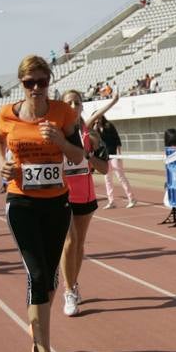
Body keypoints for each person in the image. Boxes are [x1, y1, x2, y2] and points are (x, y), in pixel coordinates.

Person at [0, 55, 84, 352]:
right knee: (36, 274)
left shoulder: (63, 113)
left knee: (49, 278)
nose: (35, 88)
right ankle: (45, 351)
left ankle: (40, 324)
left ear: (49, 81)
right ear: (21, 84)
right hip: (21, 202)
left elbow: (79, 155)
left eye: (41, 81)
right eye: (29, 82)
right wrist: (1, 164)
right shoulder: (8, 114)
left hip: (56, 203)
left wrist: (59, 141)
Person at [59, 90, 113, 317]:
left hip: (85, 195)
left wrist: (88, 155)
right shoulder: (56, 133)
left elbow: (105, 169)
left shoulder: (90, 135)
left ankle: (73, 283)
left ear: (82, 106)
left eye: (77, 102)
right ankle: (68, 291)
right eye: (68, 103)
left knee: (79, 244)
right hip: (62, 195)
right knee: (69, 242)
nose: (73, 106)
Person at [94, 108, 136, 208]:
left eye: (98, 116)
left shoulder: (109, 125)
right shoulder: (95, 128)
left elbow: (117, 139)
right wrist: (95, 128)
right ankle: (111, 201)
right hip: (104, 157)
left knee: (121, 177)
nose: (97, 119)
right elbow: (95, 141)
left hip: (113, 155)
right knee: (107, 179)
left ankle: (131, 198)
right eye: (95, 117)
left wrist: (119, 154)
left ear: (102, 116)